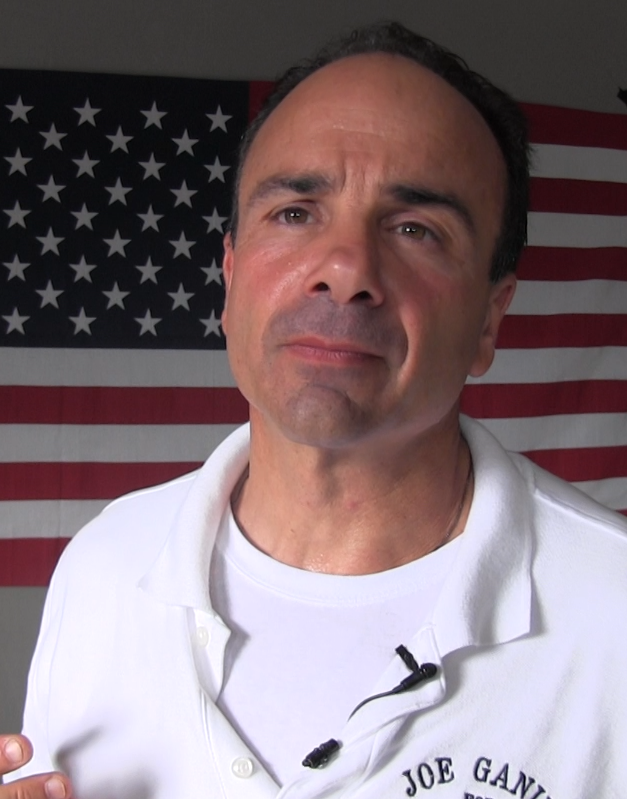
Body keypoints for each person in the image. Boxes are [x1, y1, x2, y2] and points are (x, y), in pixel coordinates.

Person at [3, 20, 627, 799]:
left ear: (488, 319)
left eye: (415, 229)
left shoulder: (612, 613)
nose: (344, 268)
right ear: (230, 276)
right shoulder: (102, 565)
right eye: (295, 212)